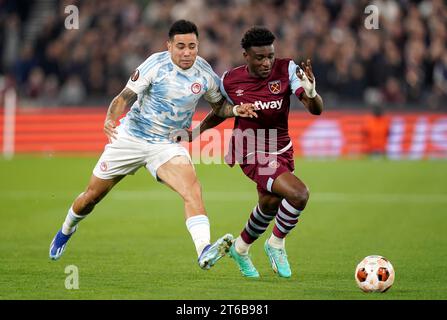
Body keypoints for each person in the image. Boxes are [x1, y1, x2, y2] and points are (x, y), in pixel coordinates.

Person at [49, 20, 257, 270]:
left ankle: (204, 249)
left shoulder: (204, 73)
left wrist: (234, 109)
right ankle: (66, 229)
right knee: (91, 197)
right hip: (130, 138)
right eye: (181, 46)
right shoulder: (154, 65)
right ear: (168, 46)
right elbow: (124, 97)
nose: (187, 52)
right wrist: (110, 118)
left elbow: (219, 107)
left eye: (192, 46)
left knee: (192, 189)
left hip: (166, 145)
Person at [188, 26, 323, 278]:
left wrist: (312, 92)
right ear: (246, 56)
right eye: (260, 57)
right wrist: (196, 132)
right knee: (299, 194)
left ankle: (240, 248)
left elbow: (315, 109)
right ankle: (276, 243)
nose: (267, 62)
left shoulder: (287, 70)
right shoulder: (230, 80)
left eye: (270, 56)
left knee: (269, 204)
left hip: (281, 148)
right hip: (250, 150)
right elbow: (220, 110)